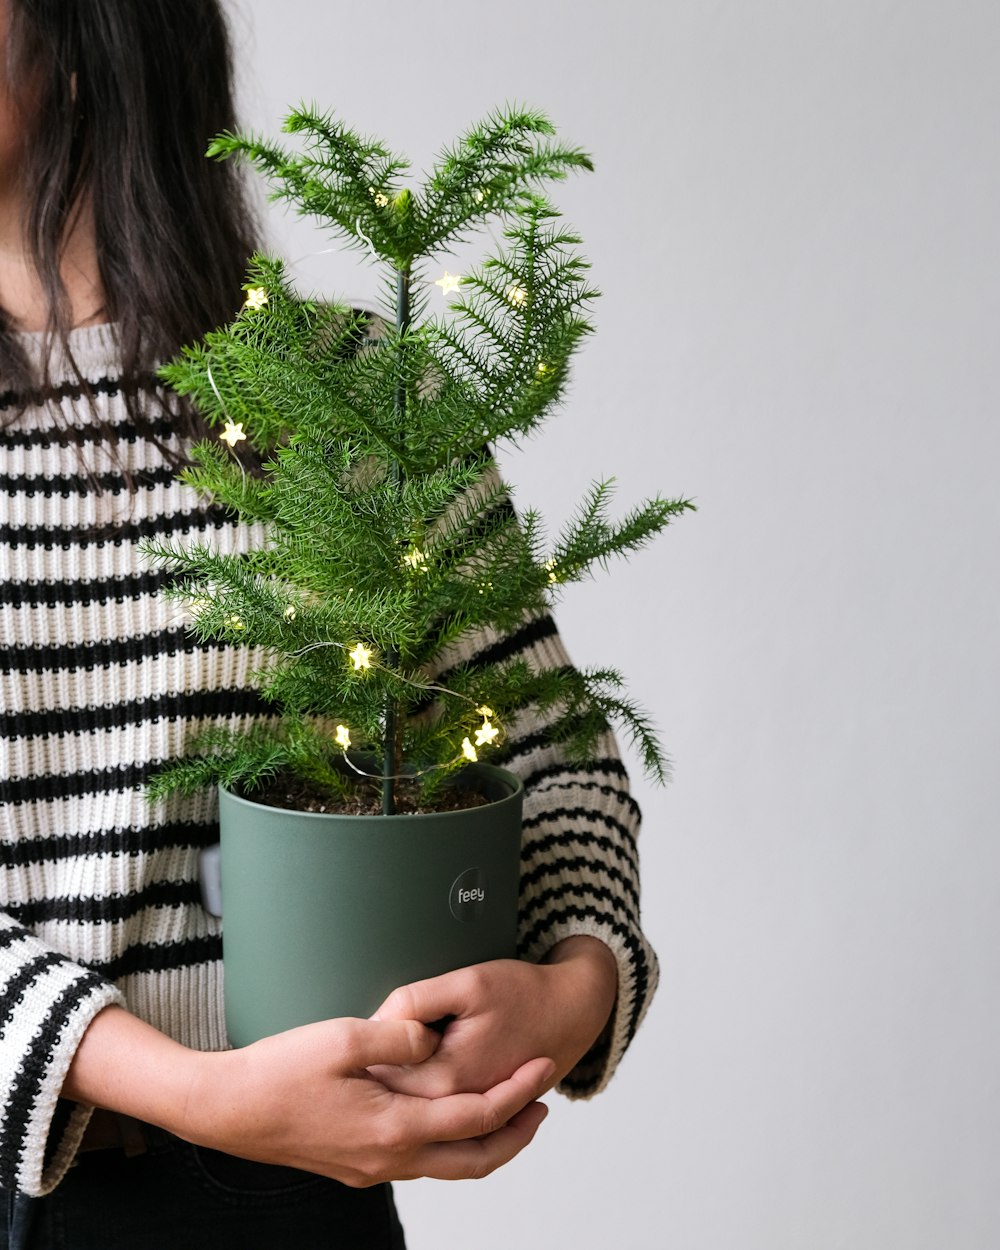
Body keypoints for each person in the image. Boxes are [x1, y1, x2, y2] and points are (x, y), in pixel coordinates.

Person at [0, 1, 658, 1246]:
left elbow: (558, 759)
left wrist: (573, 987)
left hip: (286, 1204)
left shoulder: (353, 399)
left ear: (86, 38)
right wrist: (191, 1088)